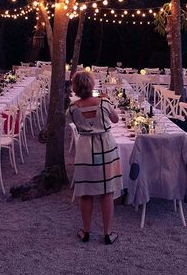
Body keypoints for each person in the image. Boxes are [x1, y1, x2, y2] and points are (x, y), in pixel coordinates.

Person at [67, 70, 122, 245]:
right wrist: (105, 101)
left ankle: (86, 231)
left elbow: (68, 122)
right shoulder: (104, 103)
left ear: (75, 88)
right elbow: (115, 119)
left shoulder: (72, 109)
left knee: (85, 192)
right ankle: (107, 233)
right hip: (105, 146)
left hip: (85, 149)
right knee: (107, 192)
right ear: (92, 86)